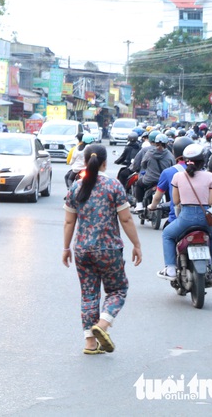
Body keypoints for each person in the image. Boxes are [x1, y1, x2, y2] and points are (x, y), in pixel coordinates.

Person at [63, 144, 142, 354]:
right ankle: (103, 324)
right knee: (118, 289)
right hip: (109, 250)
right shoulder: (113, 186)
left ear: (86, 161)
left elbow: (69, 223)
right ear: (104, 163)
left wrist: (65, 248)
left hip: (82, 250)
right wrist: (136, 244)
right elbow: (125, 218)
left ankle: (90, 342)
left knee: (89, 294)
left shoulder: (76, 187)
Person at [157, 143, 212, 279]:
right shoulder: (209, 176)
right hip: (205, 218)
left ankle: (170, 268)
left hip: (185, 218)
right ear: (203, 160)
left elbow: (176, 201)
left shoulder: (177, 176)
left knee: (167, 234)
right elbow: (210, 202)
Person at [147, 136, 193, 226]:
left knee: (167, 236)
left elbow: (157, 197)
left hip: (178, 219)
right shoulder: (204, 172)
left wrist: (152, 206)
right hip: (202, 219)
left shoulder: (169, 172)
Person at [134, 132, 173, 211]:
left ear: (155, 143)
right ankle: (170, 206)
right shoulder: (170, 155)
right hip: (164, 181)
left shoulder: (149, 153)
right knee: (169, 189)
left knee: (138, 184)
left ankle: (139, 205)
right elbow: (172, 167)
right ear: (166, 144)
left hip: (149, 179)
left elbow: (143, 164)